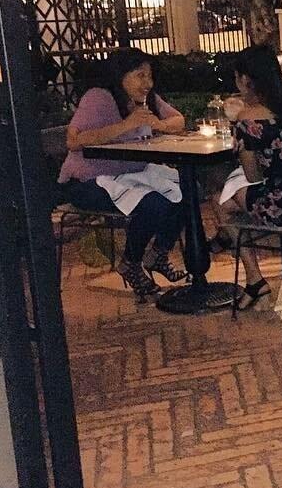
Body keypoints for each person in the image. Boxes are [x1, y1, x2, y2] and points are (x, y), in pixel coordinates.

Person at [58, 47, 189, 301]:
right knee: (154, 204)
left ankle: (158, 254)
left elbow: (178, 120)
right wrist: (126, 124)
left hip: (131, 175)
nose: (147, 83)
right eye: (140, 75)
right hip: (87, 182)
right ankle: (130, 263)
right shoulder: (99, 97)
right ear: (120, 75)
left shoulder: (147, 100)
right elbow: (73, 141)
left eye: (149, 76)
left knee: (188, 190)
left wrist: (160, 124)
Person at [212, 45, 282, 310]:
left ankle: (254, 279)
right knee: (230, 195)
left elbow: (253, 176)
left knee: (219, 201)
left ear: (246, 79)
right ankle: (241, 265)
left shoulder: (247, 118)